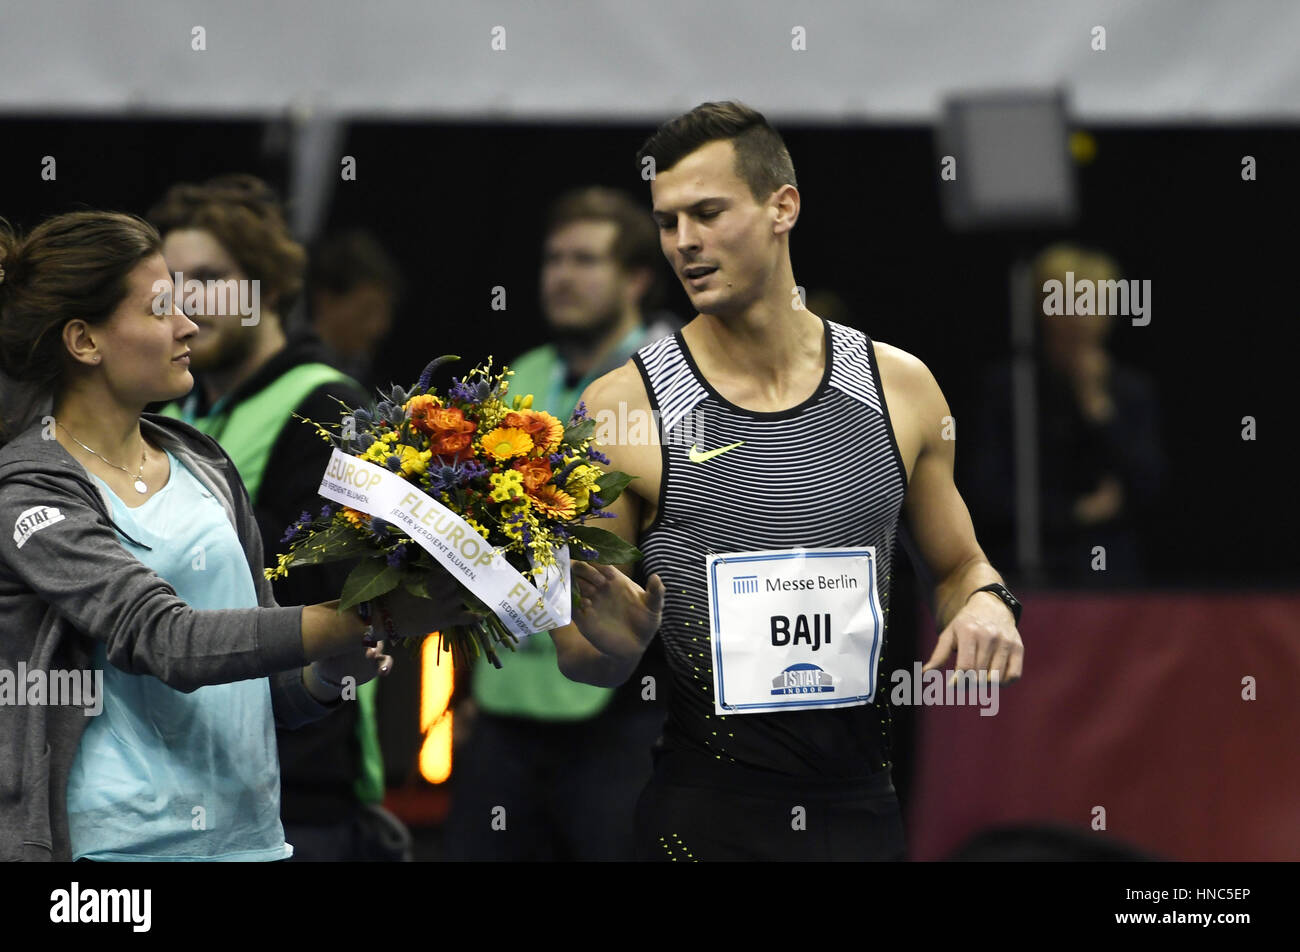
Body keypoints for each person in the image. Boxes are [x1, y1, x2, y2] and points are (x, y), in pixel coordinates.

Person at [549, 101, 1026, 861]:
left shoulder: (899, 389)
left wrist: (990, 605)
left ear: (783, 207)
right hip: (700, 818)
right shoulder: (620, 409)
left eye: (708, 213)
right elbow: (584, 656)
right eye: (668, 222)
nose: (685, 244)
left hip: (861, 812)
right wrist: (617, 646)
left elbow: (960, 566)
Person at [0, 210, 472, 862]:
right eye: (161, 307)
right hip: (114, 860)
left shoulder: (204, 463)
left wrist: (341, 661)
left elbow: (268, 685)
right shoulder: (27, 490)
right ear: (84, 341)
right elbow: (169, 640)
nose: (188, 323)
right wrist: (355, 617)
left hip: (255, 846)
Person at [146, 176, 405, 860]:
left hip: (301, 782)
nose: (187, 300)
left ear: (266, 286)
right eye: (170, 283)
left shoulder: (327, 405)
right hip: (179, 769)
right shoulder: (168, 413)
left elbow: (333, 605)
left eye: (209, 278)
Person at [444, 187, 675, 861]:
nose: (562, 276)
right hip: (507, 701)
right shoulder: (522, 376)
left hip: (629, 706)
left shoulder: (670, 382)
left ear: (635, 278)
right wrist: (467, 691)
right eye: (553, 260)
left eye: (585, 259)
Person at [966, 243, 1165, 587]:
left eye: (1096, 303)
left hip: (1112, 575)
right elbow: (985, 493)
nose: (1081, 317)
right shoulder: (1011, 388)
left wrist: (1098, 408)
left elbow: (1147, 488)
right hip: (1025, 568)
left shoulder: (1130, 391)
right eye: (1070, 302)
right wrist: (1074, 513)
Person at [306, 229, 402, 393]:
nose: (378, 328)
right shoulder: (281, 361)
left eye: (386, 314)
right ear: (327, 299)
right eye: (367, 311)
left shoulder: (370, 392)